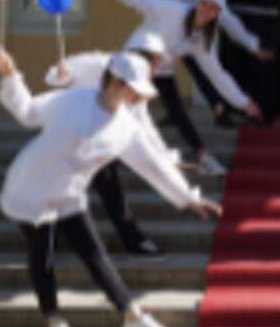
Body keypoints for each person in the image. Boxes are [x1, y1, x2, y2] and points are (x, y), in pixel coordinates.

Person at [0, 46, 222, 327]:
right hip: (32, 186)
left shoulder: (127, 126)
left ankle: (132, 314)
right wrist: (11, 76)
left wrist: (190, 198)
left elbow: (153, 166)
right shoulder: (73, 99)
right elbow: (28, 112)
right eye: (134, 89)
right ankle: (54, 321)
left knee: (94, 250)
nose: (138, 97)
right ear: (115, 82)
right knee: (42, 252)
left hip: (69, 191)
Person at [95, 0, 261, 177]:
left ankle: (203, 158)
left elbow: (217, 74)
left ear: (217, 14)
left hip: (161, 67)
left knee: (177, 111)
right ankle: (107, 155)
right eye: (205, 4)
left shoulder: (202, 39)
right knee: (125, 108)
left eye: (213, 8)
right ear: (198, 3)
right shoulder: (173, 10)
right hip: (137, 58)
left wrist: (243, 102)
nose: (207, 10)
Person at [100, 0, 275, 128]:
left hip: (182, 41)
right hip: (154, 30)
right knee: (132, 80)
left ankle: (208, 112)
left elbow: (231, 25)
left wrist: (253, 46)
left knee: (197, 71)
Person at [44, 30, 182, 257]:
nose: (157, 67)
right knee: (106, 192)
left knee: (96, 191)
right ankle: (133, 241)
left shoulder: (137, 81)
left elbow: (143, 123)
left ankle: (50, 239)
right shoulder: (98, 62)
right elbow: (56, 75)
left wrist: (166, 157)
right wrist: (60, 75)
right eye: (156, 61)